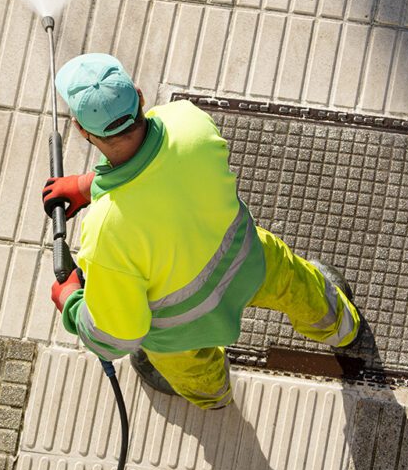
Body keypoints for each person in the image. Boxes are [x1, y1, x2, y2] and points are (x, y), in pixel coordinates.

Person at [44, 53, 361, 410]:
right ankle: (343, 327)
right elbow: (161, 175)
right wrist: (91, 185)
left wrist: (72, 303)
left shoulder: (105, 233)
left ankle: (215, 398)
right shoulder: (189, 121)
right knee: (298, 284)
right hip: (248, 259)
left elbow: (117, 336)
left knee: (194, 371)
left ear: (81, 130)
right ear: (140, 95)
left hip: (181, 327)